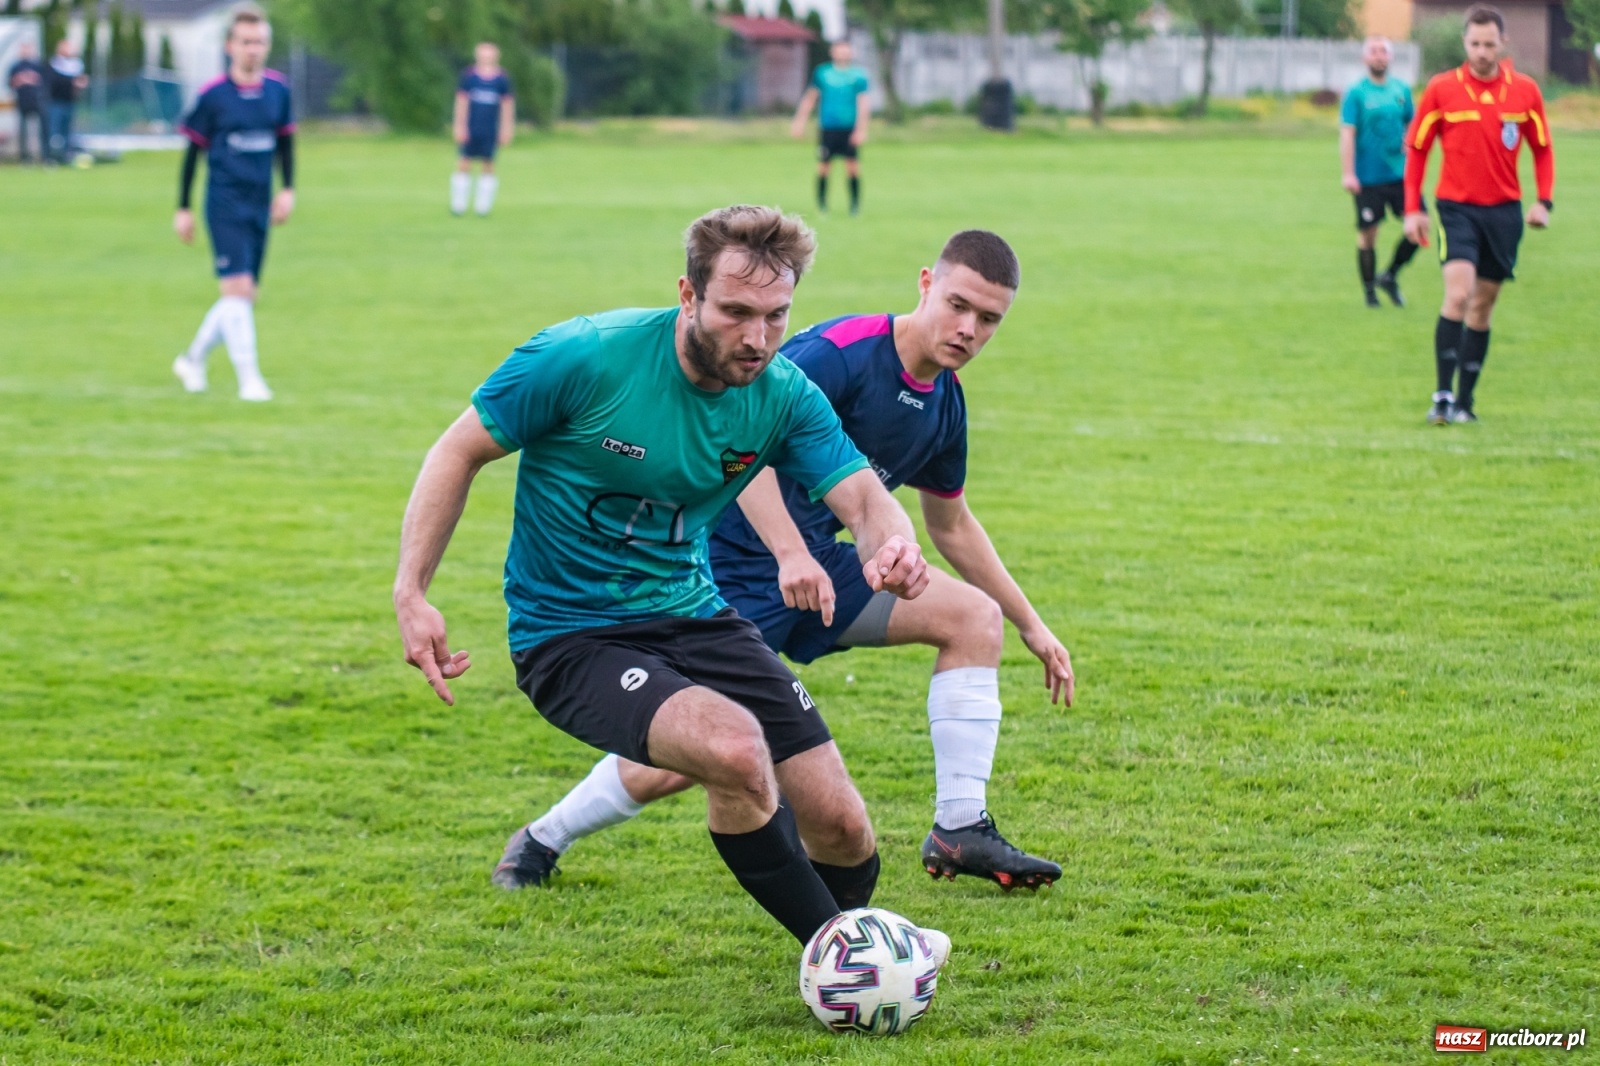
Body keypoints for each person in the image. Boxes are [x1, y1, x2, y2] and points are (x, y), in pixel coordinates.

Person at [395, 204, 950, 963]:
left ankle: (848, 952)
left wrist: (895, 546)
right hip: (569, 633)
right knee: (733, 749)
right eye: (735, 312)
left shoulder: (782, 393)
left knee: (843, 825)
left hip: (693, 614)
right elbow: (456, 452)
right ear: (688, 296)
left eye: (777, 315)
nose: (756, 338)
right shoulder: (585, 356)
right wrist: (413, 590)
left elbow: (861, 496)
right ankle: (843, 959)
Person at [504, 231, 1075, 894]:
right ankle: (543, 837)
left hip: (823, 572)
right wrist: (788, 551)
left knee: (973, 620)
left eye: (988, 319)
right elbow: (729, 435)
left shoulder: (943, 405)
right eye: (958, 305)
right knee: (696, 755)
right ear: (926, 283)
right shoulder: (840, 354)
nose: (968, 329)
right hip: (730, 570)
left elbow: (951, 524)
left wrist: (1031, 624)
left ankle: (960, 826)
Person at [1403, 4, 1554, 426]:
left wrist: (1543, 200)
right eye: (1474, 43)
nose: (1482, 51)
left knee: (1482, 308)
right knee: (1458, 294)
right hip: (1456, 209)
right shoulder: (1441, 89)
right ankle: (1441, 395)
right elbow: (1417, 149)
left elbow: (1542, 149)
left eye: (1489, 44)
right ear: (1464, 43)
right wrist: (1412, 209)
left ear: (1502, 43)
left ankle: (1466, 403)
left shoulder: (1525, 91)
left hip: (1504, 214)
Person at [170, 8, 295, 403]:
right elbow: (192, 154)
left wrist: (288, 189)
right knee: (237, 291)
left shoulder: (279, 90)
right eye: (245, 41)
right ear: (230, 46)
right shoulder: (213, 96)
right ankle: (250, 380)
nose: (252, 49)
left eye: (259, 41)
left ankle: (192, 359)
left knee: (242, 297)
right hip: (223, 204)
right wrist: (183, 207)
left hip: (260, 203)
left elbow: (286, 143)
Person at [1339, 36, 1419, 308]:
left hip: (1400, 176)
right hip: (1368, 178)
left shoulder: (1401, 90)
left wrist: (1410, 144)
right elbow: (1347, 134)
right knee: (1368, 235)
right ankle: (1370, 293)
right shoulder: (1356, 93)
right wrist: (1348, 173)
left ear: (1391, 57)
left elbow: (1414, 124)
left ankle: (1391, 275)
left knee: (1419, 227)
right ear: (1365, 58)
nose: (1379, 56)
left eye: (1383, 51)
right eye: (1373, 51)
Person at [791, 41, 869, 215]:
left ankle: (854, 207)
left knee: (852, 167)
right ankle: (822, 207)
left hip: (849, 128)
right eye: (839, 50)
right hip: (828, 128)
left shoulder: (858, 75)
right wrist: (800, 121)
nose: (842, 53)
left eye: (846, 50)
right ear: (832, 52)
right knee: (824, 167)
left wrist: (861, 129)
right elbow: (811, 98)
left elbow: (863, 103)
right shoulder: (823, 73)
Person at [450, 42, 514, 217]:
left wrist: (506, 129)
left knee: (489, 165)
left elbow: (507, 106)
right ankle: (458, 206)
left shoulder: (502, 79)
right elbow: (461, 102)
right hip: (471, 128)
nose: (486, 58)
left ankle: (483, 207)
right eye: (483, 55)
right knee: (463, 163)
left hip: (490, 129)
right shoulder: (469, 77)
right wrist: (459, 126)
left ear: (495, 57)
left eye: (489, 55)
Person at [44, 38, 88, 165]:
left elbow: (79, 82)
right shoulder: (54, 64)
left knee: (68, 132)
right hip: (56, 102)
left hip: (70, 102)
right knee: (54, 132)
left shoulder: (76, 65)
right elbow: (52, 83)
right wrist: (70, 82)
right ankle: (51, 158)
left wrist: (80, 84)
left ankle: (66, 157)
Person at [7, 40, 46, 164]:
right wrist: (20, 80)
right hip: (22, 101)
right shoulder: (16, 66)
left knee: (42, 130)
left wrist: (32, 79)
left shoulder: (38, 65)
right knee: (23, 131)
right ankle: (25, 158)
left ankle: (45, 157)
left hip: (38, 101)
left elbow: (45, 82)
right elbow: (10, 83)